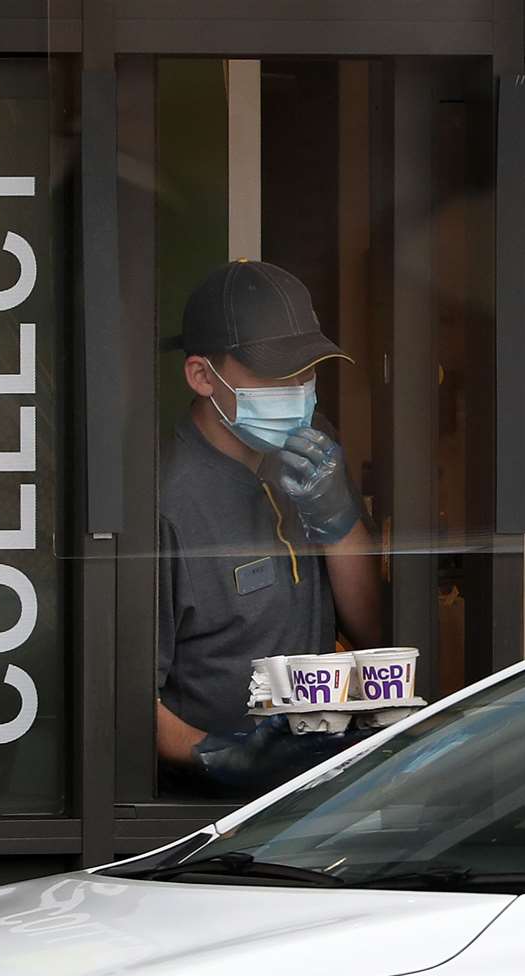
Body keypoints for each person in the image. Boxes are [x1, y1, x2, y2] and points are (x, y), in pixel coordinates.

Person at [156, 260, 382, 797]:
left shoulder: (312, 448)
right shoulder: (166, 500)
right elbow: (120, 696)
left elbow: (375, 628)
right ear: (202, 375)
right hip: (209, 811)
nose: (298, 390)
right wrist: (222, 756)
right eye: (276, 374)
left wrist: (340, 523)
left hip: (318, 785)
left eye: (306, 371)